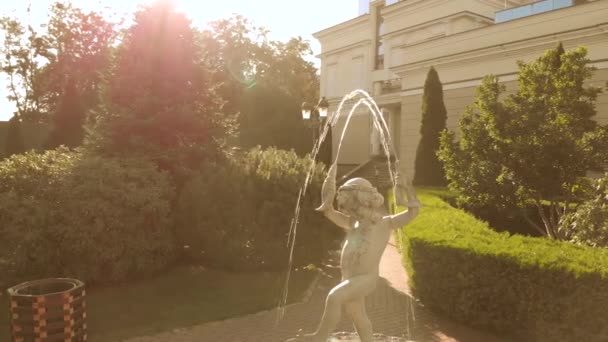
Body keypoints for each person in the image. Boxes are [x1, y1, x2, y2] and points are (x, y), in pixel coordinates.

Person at [286, 163, 421, 342]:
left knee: (334, 297)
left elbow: (412, 213)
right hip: (349, 277)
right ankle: (368, 340)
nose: (348, 210)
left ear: (362, 200)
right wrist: (329, 185)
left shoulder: (384, 223)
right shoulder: (351, 222)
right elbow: (328, 211)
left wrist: (404, 186)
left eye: (350, 204)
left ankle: (319, 337)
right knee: (357, 315)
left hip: (366, 278)